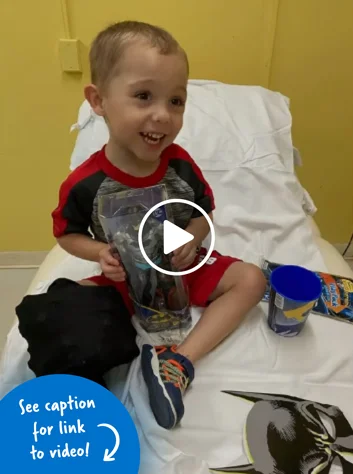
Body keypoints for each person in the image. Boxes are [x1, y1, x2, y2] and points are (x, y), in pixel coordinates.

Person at [52, 21, 266, 430]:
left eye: (176, 100)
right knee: (66, 307)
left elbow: (203, 212)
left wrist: (193, 238)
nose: (162, 115)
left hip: (179, 263)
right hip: (124, 276)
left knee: (252, 280)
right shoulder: (84, 184)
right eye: (143, 96)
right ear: (98, 101)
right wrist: (99, 253)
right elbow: (67, 235)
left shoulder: (182, 166)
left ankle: (177, 361)